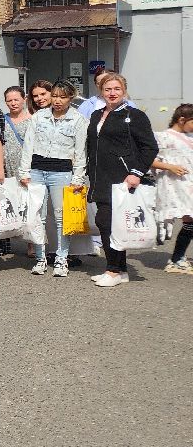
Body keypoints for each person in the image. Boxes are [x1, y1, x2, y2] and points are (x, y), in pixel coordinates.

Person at [85, 74, 158, 287]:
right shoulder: (97, 114)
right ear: (101, 91)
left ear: (124, 90)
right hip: (100, 177)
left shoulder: (134, 115)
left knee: (106, 223)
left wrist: (136, 172)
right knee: (110, 224)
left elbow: (150, 147)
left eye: (117, 88)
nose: (112, 93)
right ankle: (122, 269)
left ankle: (113, 270)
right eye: (108, 89)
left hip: (122, 179)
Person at [18, 82, 88, 277]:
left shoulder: (78, 120)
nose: (57, 100)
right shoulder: (39, 117)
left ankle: (61, 259)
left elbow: (80, 152)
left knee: (61, 217)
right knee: (37, 216)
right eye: (55, 96)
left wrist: (78, 177)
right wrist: (24, 171)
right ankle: (40, 258)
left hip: (62, 172)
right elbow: (28, 145)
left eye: (63, 97)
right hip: (37, 170)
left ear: (71, 98)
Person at [153, 104, 193, 274]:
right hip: (175, 187)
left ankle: (178, 258)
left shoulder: (190, 136)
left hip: (188, 185)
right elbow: (149, 160)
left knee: (190, 221)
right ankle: (176, 259)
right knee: (190, 220)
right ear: (182, 119)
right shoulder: (164, 137)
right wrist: (170, 166)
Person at [2, 86, 34, 190]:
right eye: (9, 100)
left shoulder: (33, 120)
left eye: (16, 100)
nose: (13, 103)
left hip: (28, 167)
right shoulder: (2, 120)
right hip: (8, 168)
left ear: (24, 99)